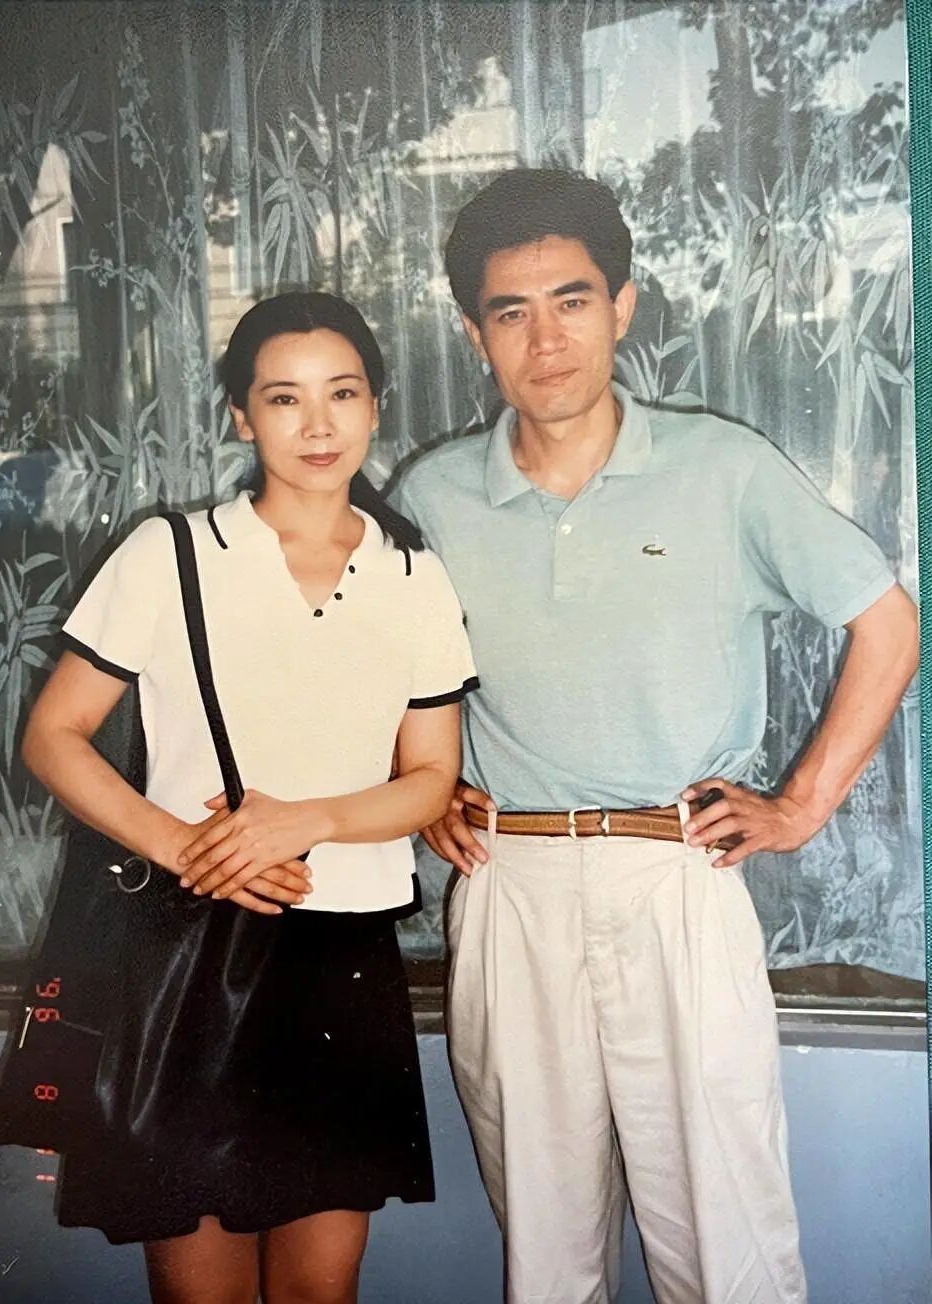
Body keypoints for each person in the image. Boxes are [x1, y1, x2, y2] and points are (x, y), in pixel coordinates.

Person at [390, 169, 918, 1304]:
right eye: (511, 312)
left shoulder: (721, 467)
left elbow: (887, 623)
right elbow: (381, 670)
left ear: (623, 307)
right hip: (510, 885)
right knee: (546, 1257)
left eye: (573, 301)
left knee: (728, 1253)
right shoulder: (431, 497)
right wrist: (417, 779)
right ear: (474, 332)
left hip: (678, 872)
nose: (547, 340)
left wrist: (801, 804)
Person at [21, 291, 477, 1304]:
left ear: (375, 405)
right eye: (283, 397)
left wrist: (307, 819)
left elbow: (430, 779)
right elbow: (52, 736)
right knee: (203, 1293)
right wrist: (191, 848)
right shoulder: (170, 553)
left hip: (340, 961)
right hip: (189, 952)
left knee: (322, 1286)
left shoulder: (414, 575)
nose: (317, 424)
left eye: (342, 393)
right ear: (241, 415)